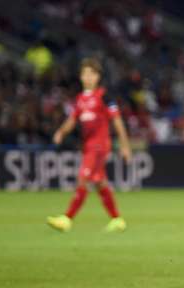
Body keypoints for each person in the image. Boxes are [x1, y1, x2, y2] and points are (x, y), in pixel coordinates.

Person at [47, 58, 132, 233]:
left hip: (100, 146)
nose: (88, 77)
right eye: (85, 73)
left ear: (98, 77)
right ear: (80, 76)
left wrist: (125, 146)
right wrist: (61, 132)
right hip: (88, 146)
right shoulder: (80, 99)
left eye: (92, 74)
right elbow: (72, 120)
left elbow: (117, 121)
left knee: (82, 179)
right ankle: (117, 219)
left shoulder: (105, 96)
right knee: (100, 183)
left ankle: (67, 218)